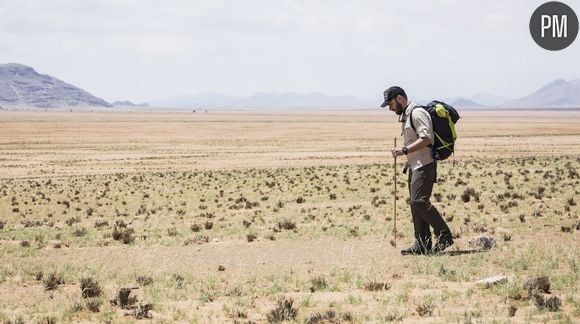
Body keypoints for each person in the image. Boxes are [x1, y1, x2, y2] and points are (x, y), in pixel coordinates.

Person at [380, 86, 454, 255]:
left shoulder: (417, 113)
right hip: (415, 164)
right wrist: (409, 159)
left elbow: (427, 138)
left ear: (399, 98)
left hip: (425, 164)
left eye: (390, 104)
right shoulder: (406, 115)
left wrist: (405, 151)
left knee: (419, 201)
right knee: (415, 205)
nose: (390, 108)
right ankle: (422, 243)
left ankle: (444, 235)